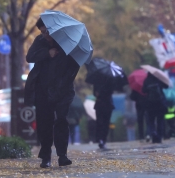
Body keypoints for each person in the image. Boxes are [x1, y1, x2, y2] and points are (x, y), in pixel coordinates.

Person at [25, 18, 80, 168]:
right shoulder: (40, 41)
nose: (46, 35)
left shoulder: (66, 42)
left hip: (63, 89)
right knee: (44, 122)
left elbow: (74, 66)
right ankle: (46, 156)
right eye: (43, 32)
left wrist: (63, 84)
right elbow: (30, 57)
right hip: (42, 88)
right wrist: (47, 53)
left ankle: (62, 155)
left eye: (48, 31)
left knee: (61, 120)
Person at [142, 72, 168, 143]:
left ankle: (153, 133)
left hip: (150, 105)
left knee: (151, 121)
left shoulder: (146, 80)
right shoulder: (159, 79)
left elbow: (143, 90)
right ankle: (159, 136)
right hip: (160, 104)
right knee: (160, 121)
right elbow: (166, 86)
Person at [93, 80, 115, 149]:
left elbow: (95, 93)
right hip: (105, 105)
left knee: (102, 123)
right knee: (103, 123)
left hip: (103, 105)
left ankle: (101, 139)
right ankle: (102, 139)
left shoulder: (97, 82)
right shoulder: (109, 81)